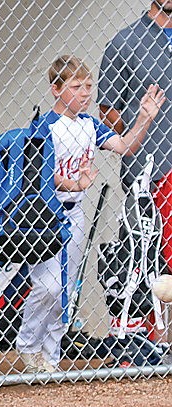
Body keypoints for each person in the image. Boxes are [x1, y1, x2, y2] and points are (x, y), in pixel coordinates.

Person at [16, 56, 164, 373]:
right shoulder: (45, 126)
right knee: (48, 286)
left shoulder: (89, 124)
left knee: (64, 288)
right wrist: (71, 182)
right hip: (45, 216)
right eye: (75, 87)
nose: (85, 93)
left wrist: (144, 118)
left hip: (75, 213)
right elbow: (38, 173)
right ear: (55, 89)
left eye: (88, 86)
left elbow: (125, 145)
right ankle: (28, 344)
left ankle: (49, 358)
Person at [99, 2, 172, 275]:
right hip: (148, 177)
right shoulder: (124, 42)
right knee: (149, 270)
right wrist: (137, 135)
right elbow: (108, 111)